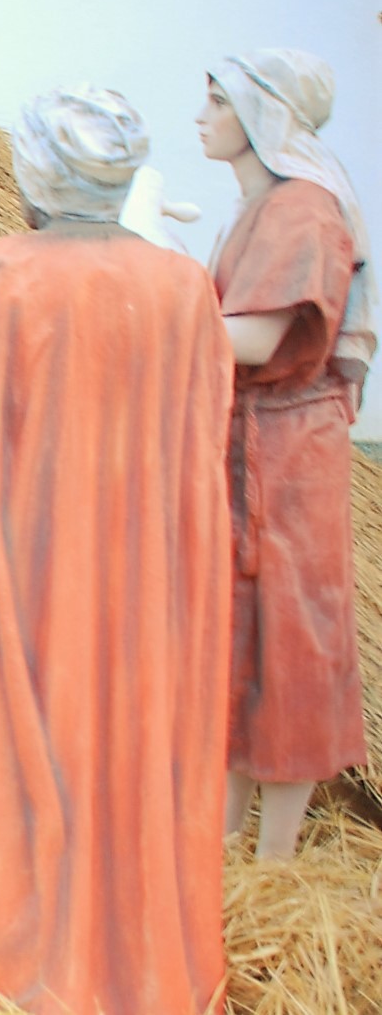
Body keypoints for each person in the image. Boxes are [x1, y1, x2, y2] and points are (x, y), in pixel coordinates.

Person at [0, 88, 232, 1014]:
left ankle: (16, 965)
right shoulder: (182, 286)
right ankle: (138, 965)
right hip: (151, 587)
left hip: (23, 575)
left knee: (11, 757)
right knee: (135, 759)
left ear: (34, 169)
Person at [200, 49, 371, 860]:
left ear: (260, 112)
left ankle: (273, 859)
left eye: (214, 101)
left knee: (292, 634)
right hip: (249, 438)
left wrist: (143, 311)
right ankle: (229, 834)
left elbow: (259, 336)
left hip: (289, 446)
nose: (199, 117)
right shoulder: (256, 208)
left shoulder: (301, 210)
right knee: (241, 630)